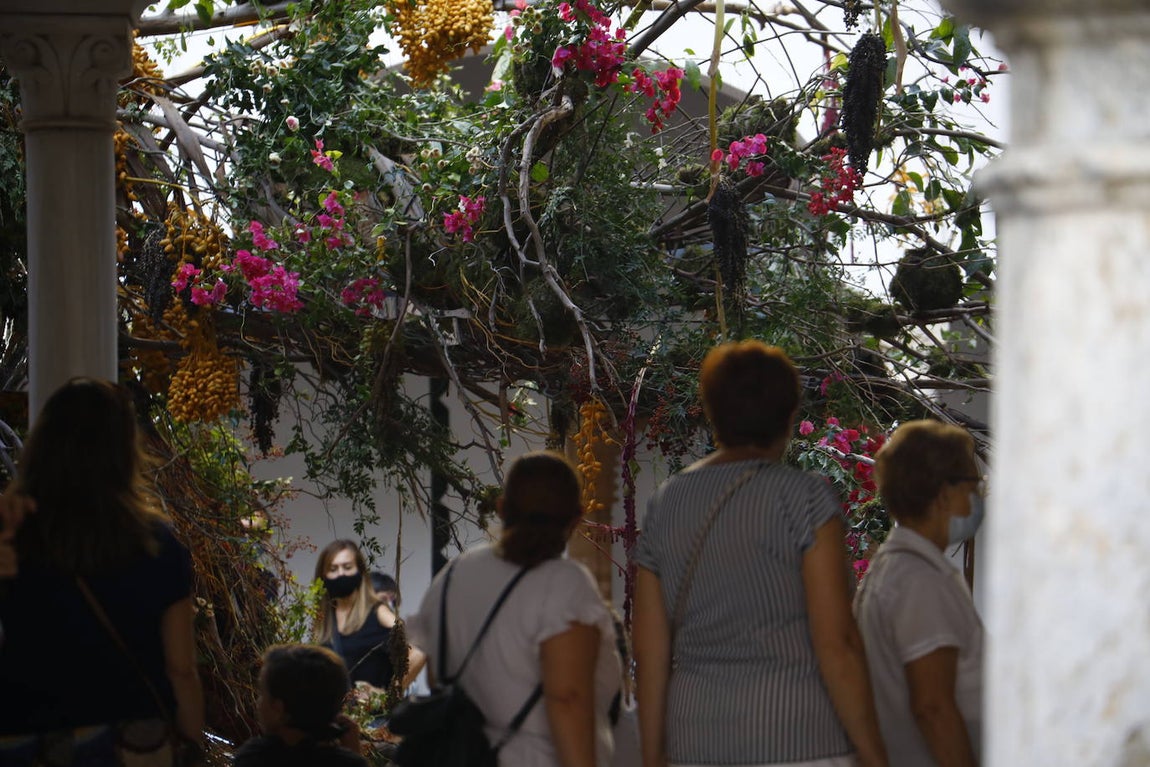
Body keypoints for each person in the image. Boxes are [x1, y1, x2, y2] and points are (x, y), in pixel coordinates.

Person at [632, 341, 887, 767]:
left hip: (696, 737)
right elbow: (836, 643)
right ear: (789, 414)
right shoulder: (805, 499)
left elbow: (651, 650)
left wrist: (652, 753)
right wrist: (876, 755)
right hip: (800, 737)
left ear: (712, 412)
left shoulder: (666, 503)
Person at [0, 378, 205, 763]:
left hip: (24, 739)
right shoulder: (157, 544)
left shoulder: (13, 534)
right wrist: (191, 745)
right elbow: (181, 668)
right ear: (124, 450)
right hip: (130, 743)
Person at [406, 451, 621, 767]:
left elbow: (441, 675)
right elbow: (567, 700)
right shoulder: (565, 584)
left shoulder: (456, 573)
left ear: (502, 508)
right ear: (576, 517)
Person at [851, 420, 984, 766]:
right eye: (974, 483)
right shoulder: (919, 581)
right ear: (944, 494)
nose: (979, 494)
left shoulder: (900, 569)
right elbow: (933, 707)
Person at [313, 540, 422, 692]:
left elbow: (418, 650)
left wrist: (388, 694)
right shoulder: (325, 618)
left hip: (373, 714)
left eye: (347, 567)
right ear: (323, 575)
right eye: (333, 569)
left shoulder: (378, 612)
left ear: (360, 571)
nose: (340, 574)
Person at [234, 643, 368, 767]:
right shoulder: (346, 762)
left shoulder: (253, 757)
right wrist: (354, 755)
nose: (258, 702)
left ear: (278, 709)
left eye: (262, 694)